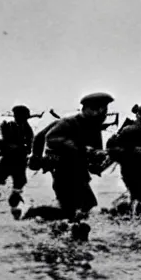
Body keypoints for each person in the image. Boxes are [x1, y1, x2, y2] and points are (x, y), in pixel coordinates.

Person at [43, 92, 114, 240]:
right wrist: (80, 148)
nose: (102, 114)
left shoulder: (94, 127)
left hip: (79, 173)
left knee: (88, 204)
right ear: (87, 109)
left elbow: (94, 161)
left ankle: (65, 233)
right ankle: (60, 236)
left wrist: (105, 156)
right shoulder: (69, 122)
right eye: (99, 109)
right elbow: (50, 138)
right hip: (63, 171)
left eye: (104, 110)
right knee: (69, 208)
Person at [0, 105, 34, 208]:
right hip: (8, 159)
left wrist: (20, 148)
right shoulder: (8, 126)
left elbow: (28, 147)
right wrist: (5, 146)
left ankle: (14, 204)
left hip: (19, 161)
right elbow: (1, 142)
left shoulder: (27, 129)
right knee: (0, 180)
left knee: (19, 182)